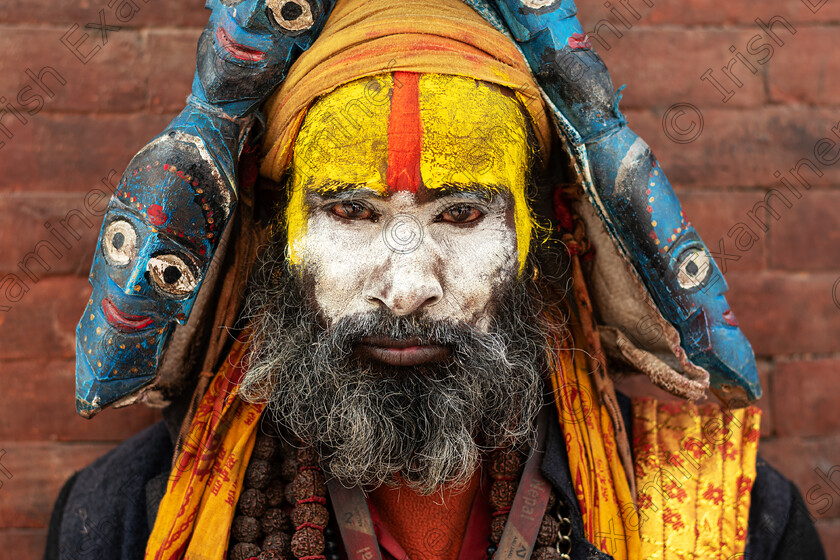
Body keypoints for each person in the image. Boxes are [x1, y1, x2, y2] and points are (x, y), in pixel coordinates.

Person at [45, 0, 825, 559]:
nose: (409, 286)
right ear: (278, 234)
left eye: (461, 215)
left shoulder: (737, 525)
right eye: (351, 211)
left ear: (538, 236)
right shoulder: (119, 524)